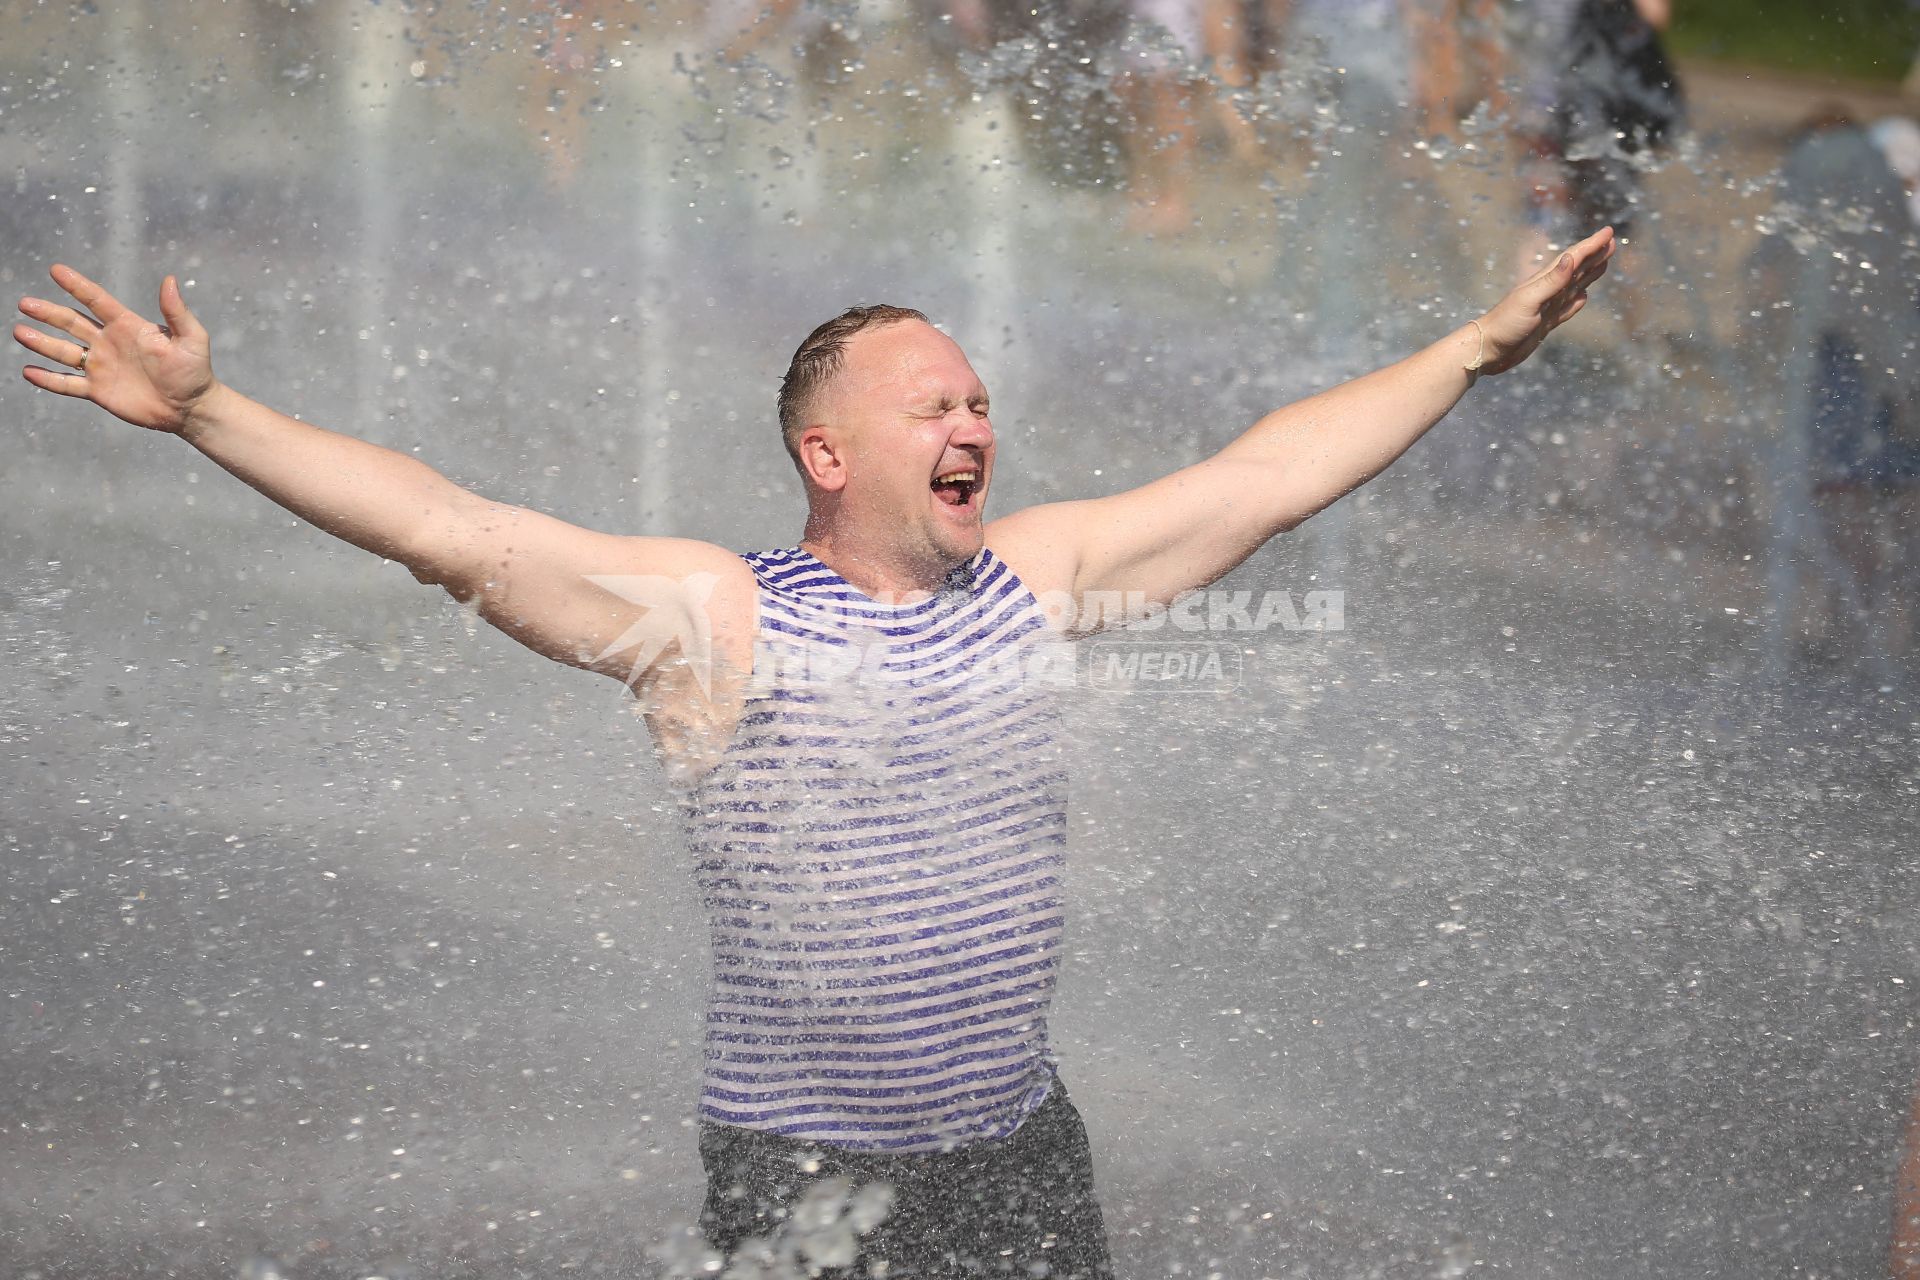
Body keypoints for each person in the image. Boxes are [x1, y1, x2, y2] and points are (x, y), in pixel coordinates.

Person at [12, 224, 1614, 1275]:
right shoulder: (721, 622)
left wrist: (1471, 351)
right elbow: (458, 532)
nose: (972, 422)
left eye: (978, 401)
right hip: (805, 1174)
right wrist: (215, 416)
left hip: (1020, 1151)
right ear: (827, 449)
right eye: (931, 405)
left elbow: (1266, 475)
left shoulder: (1037, 586)